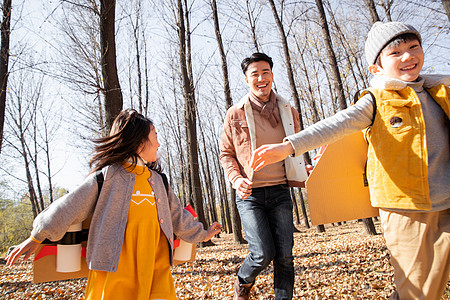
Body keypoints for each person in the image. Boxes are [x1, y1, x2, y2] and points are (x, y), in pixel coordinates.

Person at [251, 22, 449, 300]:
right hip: (408, 208)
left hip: (448, 202)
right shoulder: (376, 101)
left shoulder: (441, 91)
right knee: (418, 292)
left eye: (413, 47)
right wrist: (288, 146)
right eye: (396, 53)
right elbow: (336, 125)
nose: (407, 56)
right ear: (376, 68)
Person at [6, 109, 222, 300]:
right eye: (154, 137)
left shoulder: (159, 180)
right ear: (139, 144)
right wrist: (37, 235)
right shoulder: (107, 177)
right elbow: (69, 206)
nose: (158, 143)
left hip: (156, 268)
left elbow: (178, 217)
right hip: (115, 270)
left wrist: (203, 234)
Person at [219, 52, 308, 300]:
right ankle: (243, 281)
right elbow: (226, 154)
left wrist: (304, 167)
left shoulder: (288, 110)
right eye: (254, 74)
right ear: (247, 80)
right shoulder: (234, 114)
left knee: (285, 257)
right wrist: (237, 180)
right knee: (262, 253)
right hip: (249, 195)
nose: (261, 78)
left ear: (272, 75)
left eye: (265, 72)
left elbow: (297, 146)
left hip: (280, 191)